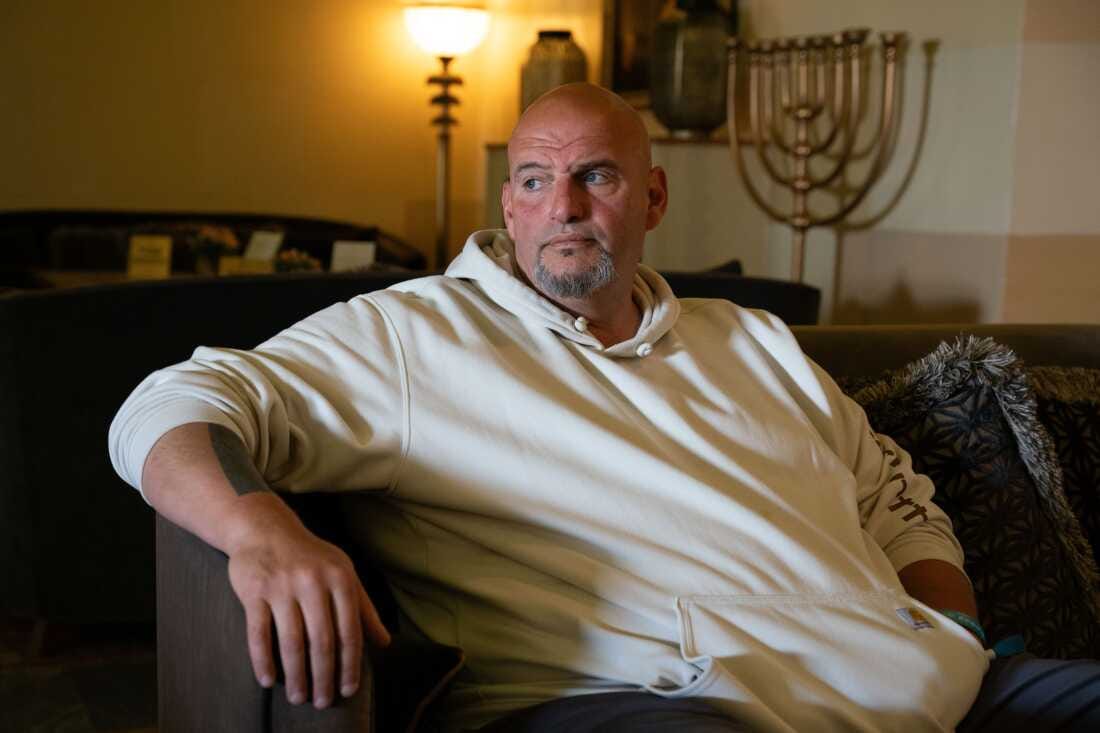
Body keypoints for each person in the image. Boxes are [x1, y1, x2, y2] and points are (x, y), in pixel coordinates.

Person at [109, 83, 1099, 731]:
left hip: (927, 690)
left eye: (596, 176)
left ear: (653, 198)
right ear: (508, 206)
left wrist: (947, 633)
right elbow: (169, 403)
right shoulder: (412, 337)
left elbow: (892, 495)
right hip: (641, 702)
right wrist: (258, 531)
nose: (564, 205)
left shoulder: (748, 338)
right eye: (534, 180)